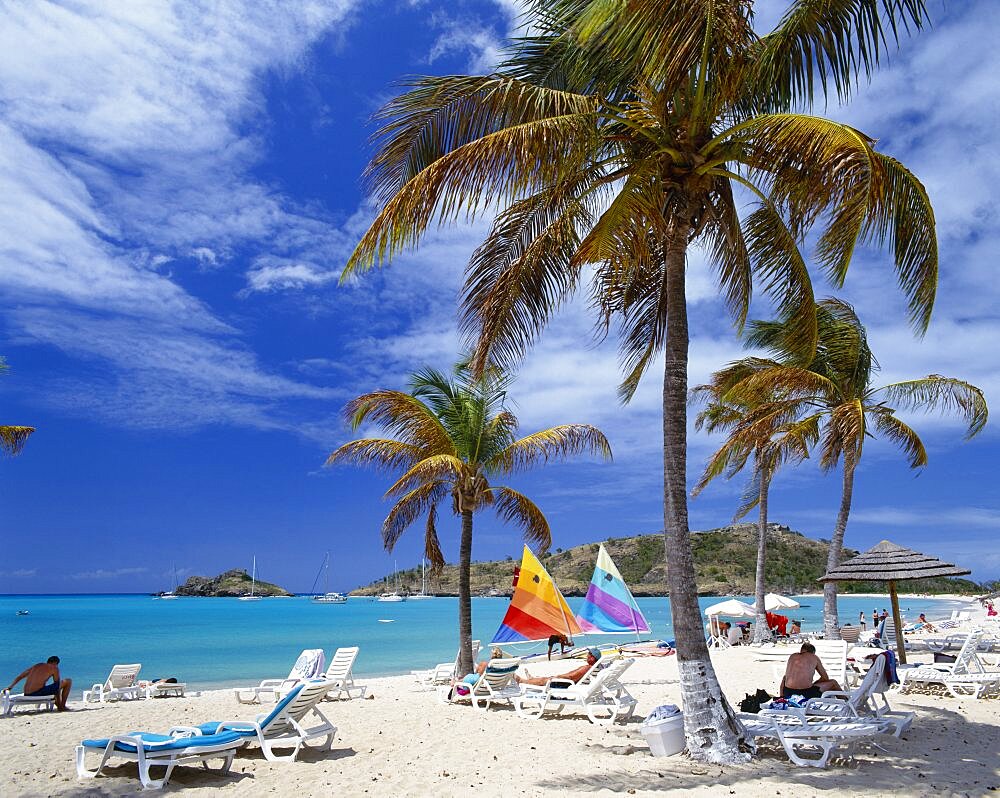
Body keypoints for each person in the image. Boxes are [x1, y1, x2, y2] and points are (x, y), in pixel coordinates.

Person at [5, 656, 72, 711]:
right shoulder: (54, 668)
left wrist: (10, 687)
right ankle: (62, 706)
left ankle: (59, 705)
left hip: (27, 693)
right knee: (68, 681)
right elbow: (56, 685)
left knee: (54, 688)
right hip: (37, 693)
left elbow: (20, 677)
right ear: (56, 663)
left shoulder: (36, 666)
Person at [518, 647, 602, 686]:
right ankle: (531, 679)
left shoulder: (587, 668)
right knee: (548, 678)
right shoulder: (596, 668)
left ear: (593, 658)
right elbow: (573, 675)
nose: (587, 655)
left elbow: (571, 677)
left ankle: (523, 682)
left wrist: (559, 676)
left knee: (545, 680)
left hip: (569, 685)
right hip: (573, 683)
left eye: (589, 654)